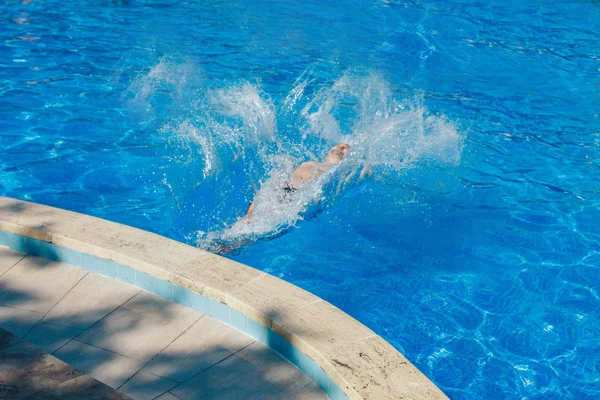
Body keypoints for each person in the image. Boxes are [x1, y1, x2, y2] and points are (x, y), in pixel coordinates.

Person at [244, 144, 351, 219]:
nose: (341, 147)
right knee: (247, 220)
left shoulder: (335, 173)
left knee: (254, 228)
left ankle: (232, 246)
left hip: (295, 197)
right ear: (328, 153)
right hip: (280, 190)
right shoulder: (310, 162)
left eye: (345, 148)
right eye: (339, 146)